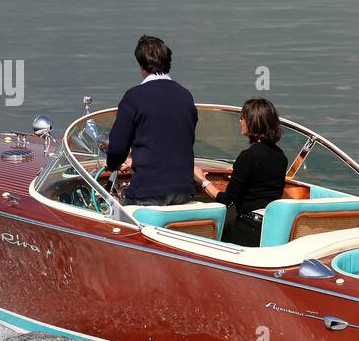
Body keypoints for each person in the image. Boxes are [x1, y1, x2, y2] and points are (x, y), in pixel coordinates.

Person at [103, 35, 198, 207]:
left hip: (148, 192)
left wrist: (112, 164)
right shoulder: (186, 96)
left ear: (141, 66)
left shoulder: (134, 97)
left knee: (111, 204)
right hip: (184, 190)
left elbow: (117, 149)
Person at [194, 98, 287, 246]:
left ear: (252, 121)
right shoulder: (280, 156)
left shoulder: (248, 156)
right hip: (271, 226)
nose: (240, 121)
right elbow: (262, 182)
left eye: (242, 117)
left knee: (201, 238)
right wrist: (239, 172)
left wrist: (202, 180)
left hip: (248, 229)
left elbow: (226, 200)